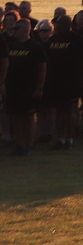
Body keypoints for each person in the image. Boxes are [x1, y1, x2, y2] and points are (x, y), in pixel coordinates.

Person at [44, 15, 83, 149]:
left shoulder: (77, 39)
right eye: (58, 24)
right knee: (59, 111)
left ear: (69, 24)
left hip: (71, 80)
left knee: (70, 110)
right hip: (55, 81)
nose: (58, 26)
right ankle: (61, 138)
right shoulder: (53, 39)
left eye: (61, 23)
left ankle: (70, 138)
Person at [3, 19, 46, 155]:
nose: (14, 30)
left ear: (26, 29)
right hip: (13, 88)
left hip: (29, 88)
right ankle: (18, 144)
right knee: (16, 117)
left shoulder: (35, 47)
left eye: (17, 28)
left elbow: (42, 68)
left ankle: (29, 145)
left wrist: (39, 87)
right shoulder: (11, 46)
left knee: (28, 117)